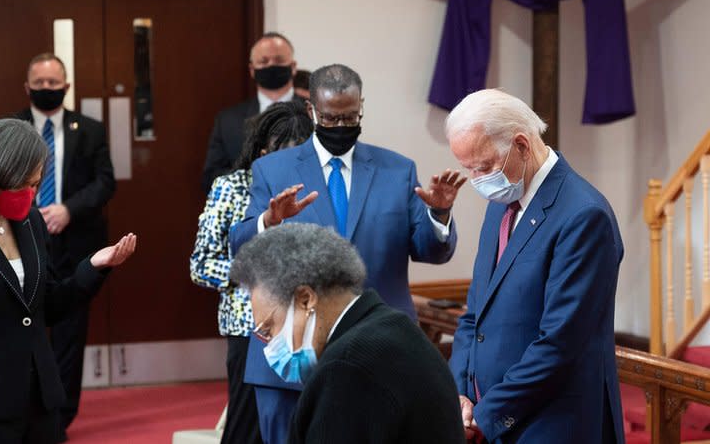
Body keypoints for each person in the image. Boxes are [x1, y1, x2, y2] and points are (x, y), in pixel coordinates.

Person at [229, 63, 465, 444]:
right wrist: (269, 222)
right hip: (294, 352)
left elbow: (430, 251)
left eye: (349, 117)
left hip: (379, 352)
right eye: (330, 118)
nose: (340, 126)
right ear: (312, 112)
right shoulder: (272, 168)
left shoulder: (397, 170)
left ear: (361, 109)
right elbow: (240, 250)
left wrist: (438, 214)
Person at [0, 118, 136, 444]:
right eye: (24, 185)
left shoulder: (31, 222)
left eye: (36, 183)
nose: (32, 194)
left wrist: (93, 267)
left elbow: (48, 304)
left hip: (38, 399)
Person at [445, 89, 624, 443]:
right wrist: (459, 395)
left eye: (483, 167)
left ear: (522, 146)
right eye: (469, 169)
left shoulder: (583, 214)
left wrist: (485, 416)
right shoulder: (502, 201)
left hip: (553, 424)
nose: (478, 180)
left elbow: (559, 343)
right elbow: (474, 315)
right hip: (490, 418)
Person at [230, 223, 464, 444]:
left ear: (305, 299)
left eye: (269, 328)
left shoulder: (345, 368)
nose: (269, 346)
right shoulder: (391, 327)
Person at [190, 102, 313, 444]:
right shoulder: (231, 188)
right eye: (282, 155)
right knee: (248, 430)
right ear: (262, 153)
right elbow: (200, 265)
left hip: (309, 325)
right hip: (251, 330)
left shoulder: (315, 187)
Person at [12, 52, 115, 438]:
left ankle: (60, 419)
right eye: (39, 85)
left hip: (75, 246)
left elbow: (106, 182)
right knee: (24, 332)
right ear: (27, 88)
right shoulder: (12, 127)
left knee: (70, 338)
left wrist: (68, 210)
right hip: (21, 244)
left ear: (66, 86)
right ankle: (25, 412)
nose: (46, 90)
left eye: (53, 84)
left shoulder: (88, 128)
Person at [201, 32, 304, 192]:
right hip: (247, 211)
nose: (271, 65)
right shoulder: (227, 120)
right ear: (252, 69)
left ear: (293, 66)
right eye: (263, 61)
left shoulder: (315, 114)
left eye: (278, 60)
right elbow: (211, 178)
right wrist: (253, 178)